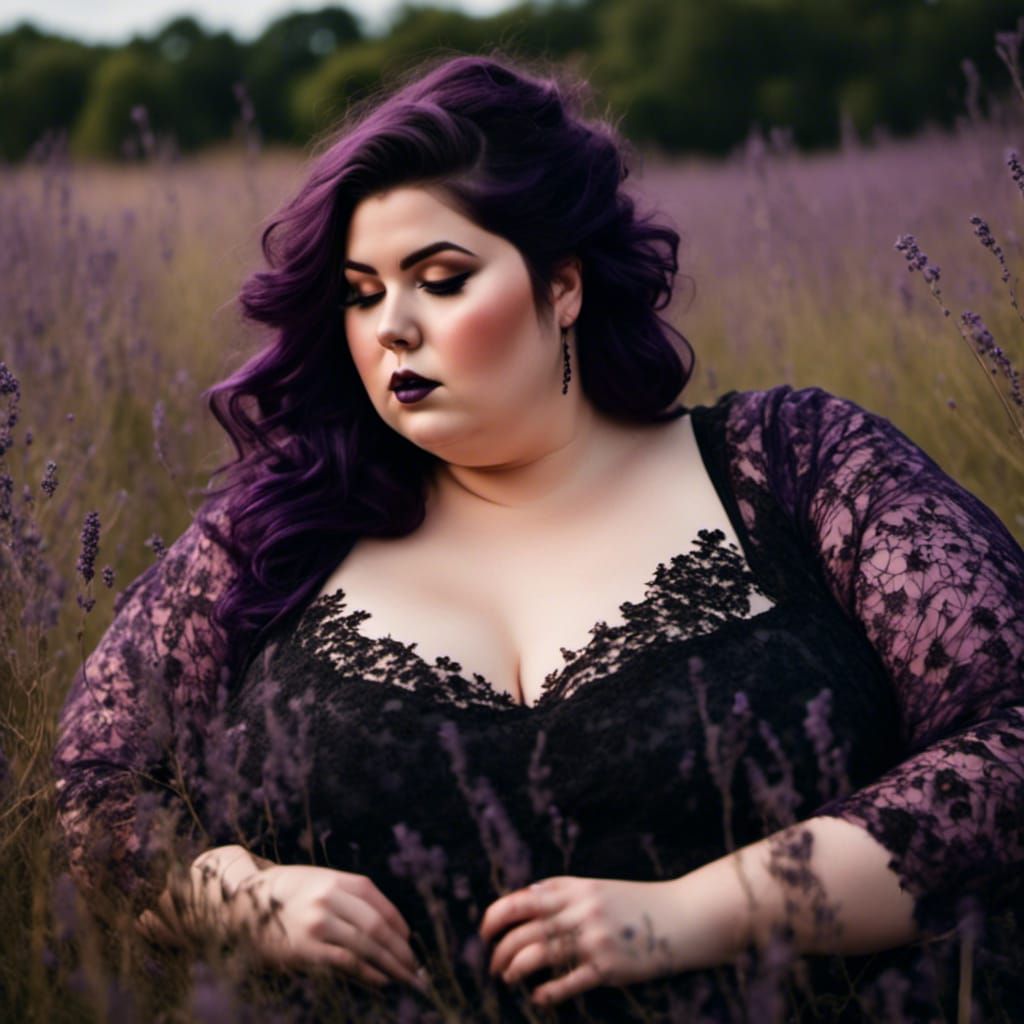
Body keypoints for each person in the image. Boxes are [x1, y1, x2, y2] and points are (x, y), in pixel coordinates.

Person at [52, 53, 1024, 1023]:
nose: (391, 327)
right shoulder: (277, 529)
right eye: (359, 291)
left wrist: (701, 912)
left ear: (561, 286)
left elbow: (1009, 735)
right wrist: (239, 897)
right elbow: (96, 789)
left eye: (439, 279)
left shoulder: (795, 465)